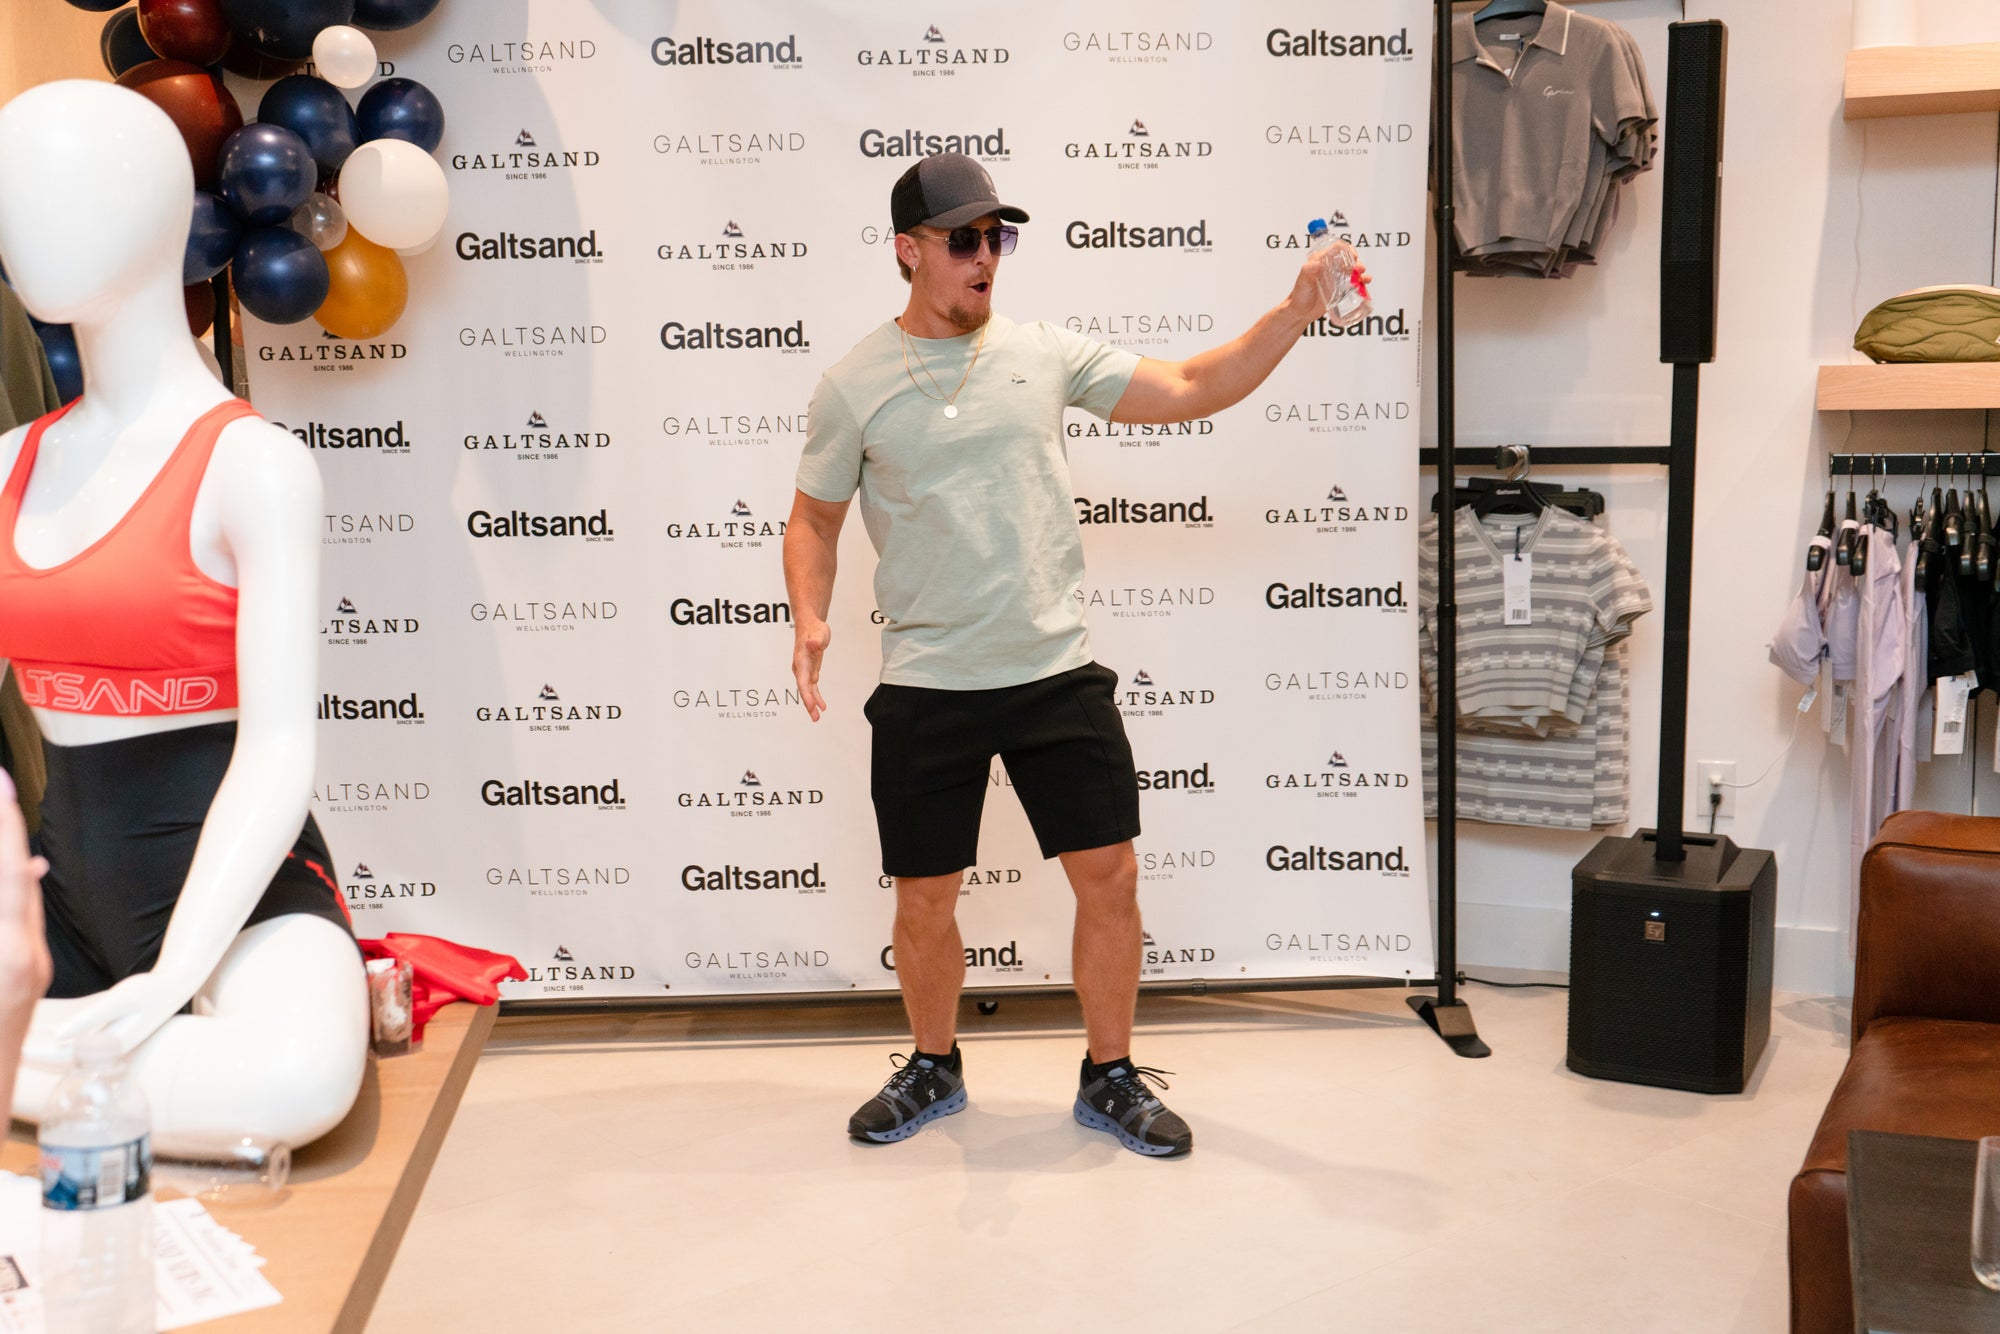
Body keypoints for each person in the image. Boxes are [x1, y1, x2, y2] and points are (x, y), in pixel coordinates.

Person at [783, 153, 1362, 1157]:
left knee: (1111, 876)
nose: (985, 257)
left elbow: (1191, 385)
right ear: (908, 251)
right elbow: (813, 517)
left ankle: (1109, 1074)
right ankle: (932, 1064)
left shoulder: (1043, 353)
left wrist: (1296, 309)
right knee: (924, 896)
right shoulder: (853, 384)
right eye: (963, 240)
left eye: (997, 237)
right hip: (928, 681)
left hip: (1053, 670)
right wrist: (809, 614)